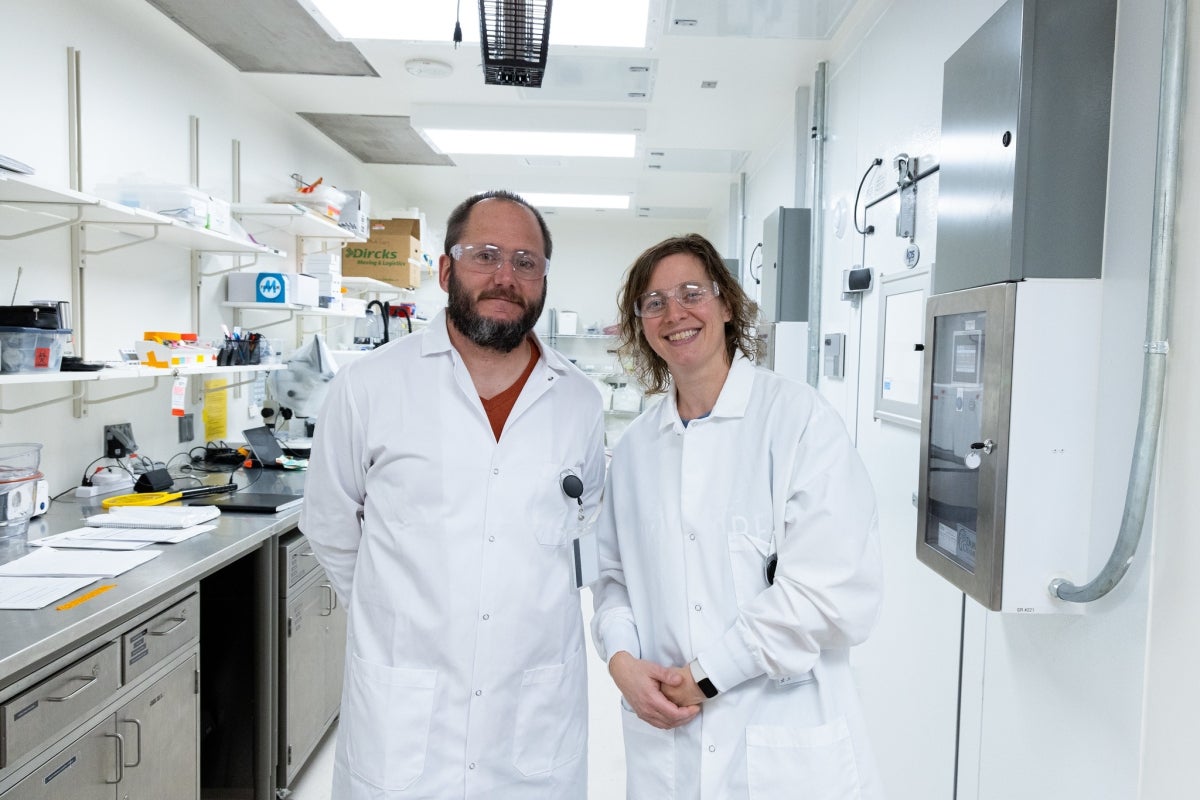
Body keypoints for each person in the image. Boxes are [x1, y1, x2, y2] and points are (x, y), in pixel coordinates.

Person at [300, 190, 606, 799]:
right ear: (445, 270)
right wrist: (398, 611)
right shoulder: (370, 387)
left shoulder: (579, 400)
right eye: (485, 254)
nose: (505, 276)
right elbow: (331, 524)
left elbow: (587, 527)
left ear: (543, 279)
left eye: (526, 261)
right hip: (405, 712)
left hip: (532, 710)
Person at [591, 233, 884, 799]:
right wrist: (621, 658)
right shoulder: (633, 451)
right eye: (654, 302)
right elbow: (613, 579)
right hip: (667, 740)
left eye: (691, 292)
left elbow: (830, 592)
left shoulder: (799, 422)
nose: (674, 313)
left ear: (726, 304)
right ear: (641, 326)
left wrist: (707, 676)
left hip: (783, 730)